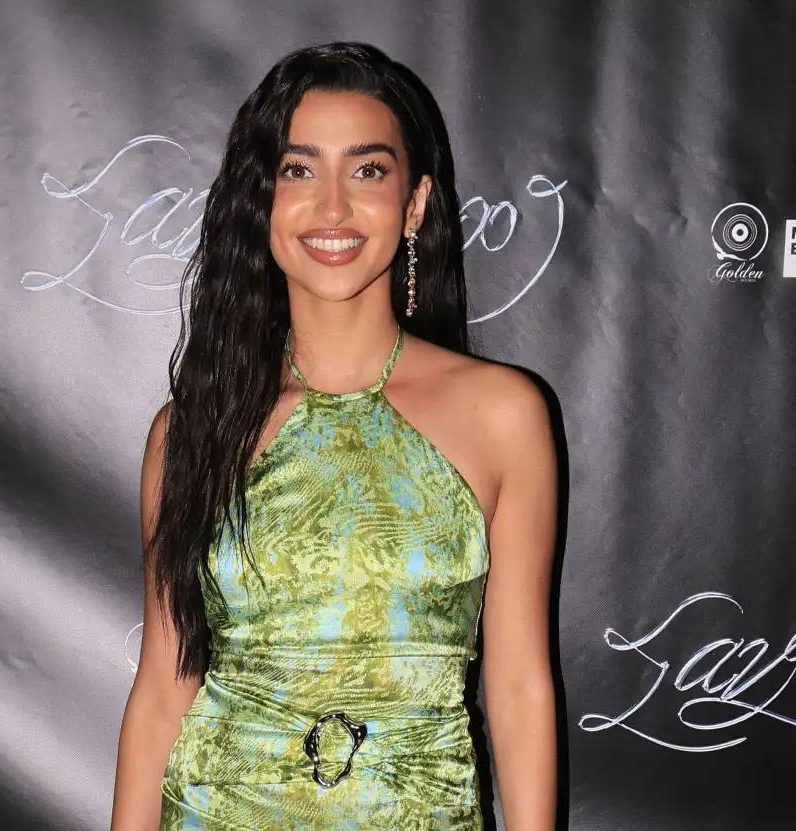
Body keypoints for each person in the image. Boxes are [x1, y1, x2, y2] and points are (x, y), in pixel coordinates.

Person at [111, 41, 558, 830]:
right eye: (298, 169)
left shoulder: (503, 415)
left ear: (415, 204)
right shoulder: (191, 430)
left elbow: (520, 687)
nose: (332, 207)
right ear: (263, 200)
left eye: (368, 170)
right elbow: (161, 690)